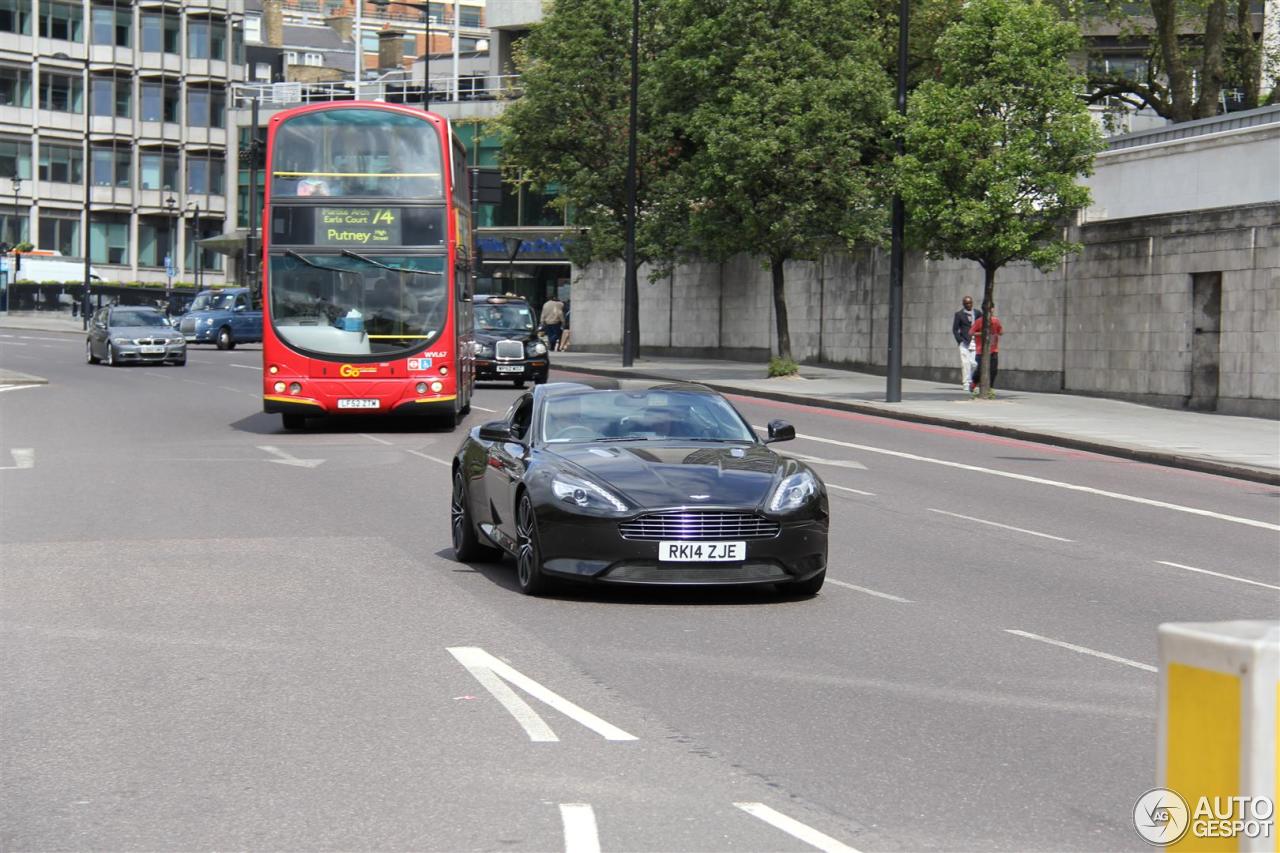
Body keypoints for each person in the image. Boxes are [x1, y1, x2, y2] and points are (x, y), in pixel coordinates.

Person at [970, 304, 1004, 395]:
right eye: (988, 308)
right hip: (981, 350)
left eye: (991, 308)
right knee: (980, 369)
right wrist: (983, 333)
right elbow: (971, 332)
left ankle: (990, 388)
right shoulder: (979, 321)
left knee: (993, 370)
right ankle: (974, 383)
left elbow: (1001, 332)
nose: (990, 310)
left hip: (994, 349)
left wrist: (998, 333)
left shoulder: (996, 321)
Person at [951, 295, 981, 392]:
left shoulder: (978, 313)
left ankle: (972, 381)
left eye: (970, 303)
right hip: (964, 342)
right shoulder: (959, 314)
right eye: (966, 303)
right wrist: (960, 340)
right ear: (963, 304)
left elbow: (982, 325)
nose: (968, 305)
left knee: (974, 364)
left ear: (972, 303)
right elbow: (955, 329)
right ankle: (966, 383)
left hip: (975, 342)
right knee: (965, 363)